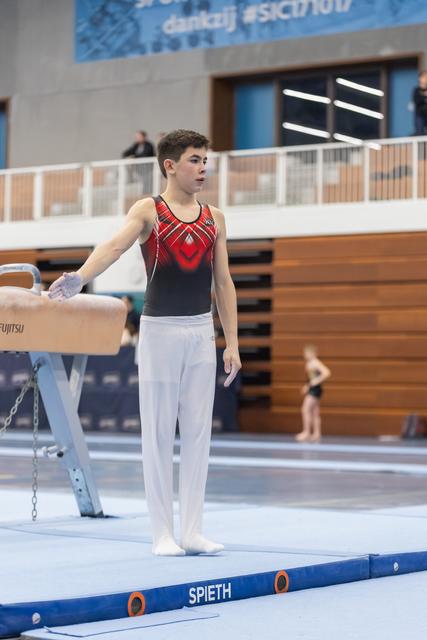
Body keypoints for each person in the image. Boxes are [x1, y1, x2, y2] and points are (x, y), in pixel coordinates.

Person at [49, 129, 241, 557]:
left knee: (197, 435)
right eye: (194, 160)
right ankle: (162, 534)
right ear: (170, 165)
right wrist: (80, 277)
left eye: (205, 160)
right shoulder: (150, 211)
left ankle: (191, 530)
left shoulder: (216, 217)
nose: (203, 167)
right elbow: (116, 245)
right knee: (157, 434)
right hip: (159, 333)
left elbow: (224, 283)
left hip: (199, 333)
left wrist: (232, 342)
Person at [295, 344, 331, 443]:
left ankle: (307, 432)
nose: (305, 355)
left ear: (313, 353)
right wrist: (307, 386)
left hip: (315, 389)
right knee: (315, 412)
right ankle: (317, 433)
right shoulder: (309, 363)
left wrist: (315, 381)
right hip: (314, 388)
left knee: (305, 409)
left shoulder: (315, 362)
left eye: (306, 353)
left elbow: (327, 372)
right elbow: (310, 378)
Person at [412, 71, 427, 136]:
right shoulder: (416, 90)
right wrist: (424, 96)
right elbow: (416, 101)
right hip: (420, 115)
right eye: (424, 77)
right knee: (420, 133)